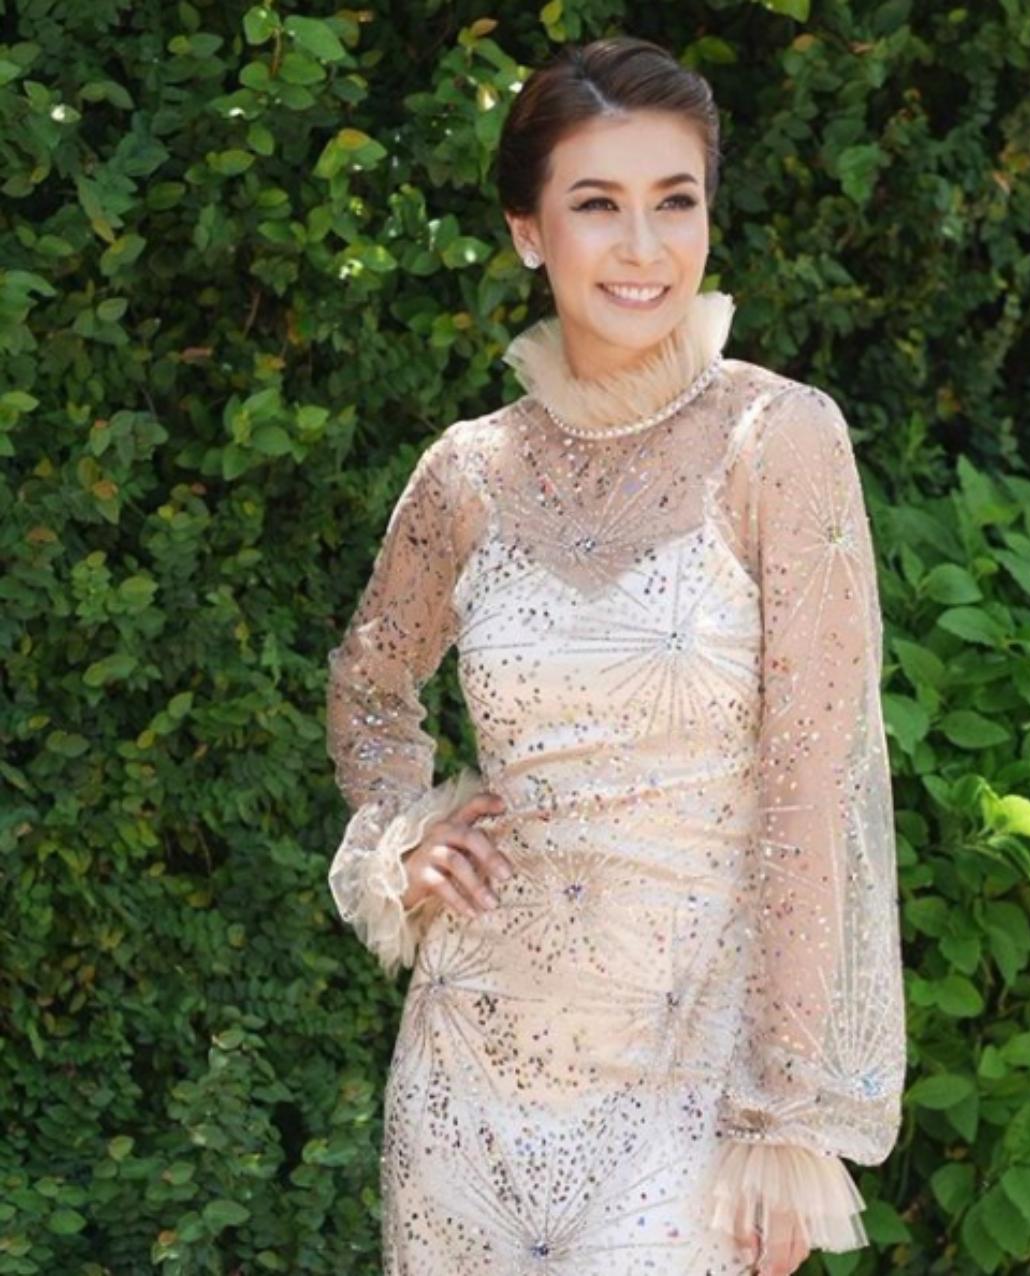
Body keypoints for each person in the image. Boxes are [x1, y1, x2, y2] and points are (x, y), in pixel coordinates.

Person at [325, 34, 906, 1276]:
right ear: (527, 231)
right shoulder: (467, 472)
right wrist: (398, 838)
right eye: (596, 204)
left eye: (673, 201)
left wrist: (782, 1116)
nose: (642, 247)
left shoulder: (777, 439)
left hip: (697, 1081)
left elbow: (818, 783)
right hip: (470, 1071)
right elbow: (371, 680)